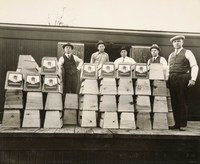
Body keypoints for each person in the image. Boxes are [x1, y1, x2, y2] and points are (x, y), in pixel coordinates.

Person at [167, 35, 199, 131]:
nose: (176, 43)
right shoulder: (171, 55)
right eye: (175, 41)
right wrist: (167, 80)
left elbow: (194, 65)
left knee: (182, 101)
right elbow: (168, 69)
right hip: (172, 79)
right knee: (174, 102)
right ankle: (176, 123)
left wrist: (193, 79)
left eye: (179, 41)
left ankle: (182, 124)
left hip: (182, 78)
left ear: (182, 42)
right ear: (172, 44)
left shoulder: (188, 52)